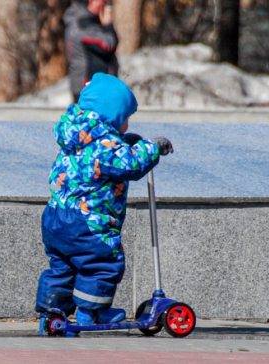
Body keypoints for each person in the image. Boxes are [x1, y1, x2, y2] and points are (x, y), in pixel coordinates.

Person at [35, 73, 173, 328]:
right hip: (88, 222)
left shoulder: (77, 136)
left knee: (62, 267)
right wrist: (153, 148)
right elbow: (130, 164)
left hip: (56, 217)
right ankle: (92, 312)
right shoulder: (104, 145)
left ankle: (51, 314)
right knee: (101, 263)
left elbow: (109, 157)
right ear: (113, 115)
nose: (127, 125)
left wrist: (125, 143)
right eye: (126, 119)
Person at [64, 0, 119, 102]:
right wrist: (108, 25)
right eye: (102, 1)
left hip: (97, 86)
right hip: (88, 87)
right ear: (91, 2)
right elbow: (108, 45)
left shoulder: (90, 22)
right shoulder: (81, 24)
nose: (105, 4)